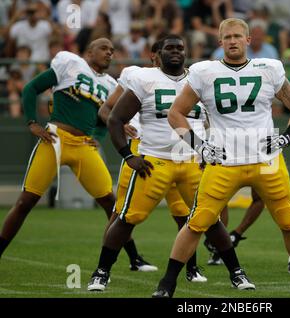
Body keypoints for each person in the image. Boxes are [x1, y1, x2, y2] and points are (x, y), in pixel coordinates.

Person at [153, 18, 290, 298]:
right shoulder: (204, 72)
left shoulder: (269, 68)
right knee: (196, 223)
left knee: (289, 221)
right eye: (227, 37)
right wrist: (199, 146)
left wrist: (287, 137)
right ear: (220, 42)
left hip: (266, 160)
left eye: (237, 36)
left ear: (248, 40)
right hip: (223, 160)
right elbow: (176, 112)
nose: (232, 41)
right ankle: (166, 284)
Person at [87, 34, 249, 292]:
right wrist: (128, 156)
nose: (175, 51)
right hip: (155, 161)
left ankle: (237, 273)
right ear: (157, 53)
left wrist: (210, 150)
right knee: (128, 217)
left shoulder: (200, 78)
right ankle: (101, 272)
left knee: (210, 220)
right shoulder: (145, 78)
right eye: (169, 48)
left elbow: (216, 119)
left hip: (192, 161)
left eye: (180, 48)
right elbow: (115, 118)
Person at [0, 38, 152, 273]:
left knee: (112, 204)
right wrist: (31, 122)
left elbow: (108, 118)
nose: (109, 53)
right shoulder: (70, 64)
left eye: (112, 51)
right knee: (26, 201)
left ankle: (134, 258)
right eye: (103, 48)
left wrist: (99, 137)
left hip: (83, 146)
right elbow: (31, 89)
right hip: (56, 139)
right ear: (89, 50)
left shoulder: (112, 85)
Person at [95, 39, 207, 283]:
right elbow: (107, 111)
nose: (170, 55)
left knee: (185, 215)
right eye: (164, 51)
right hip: (145, 151)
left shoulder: (191, 78)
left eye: (179, 49)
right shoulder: (138, 76)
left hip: (182, 155)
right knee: (124, 213)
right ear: (153, 56)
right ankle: (113, 265)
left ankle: (192, 267)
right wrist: (123, 131)